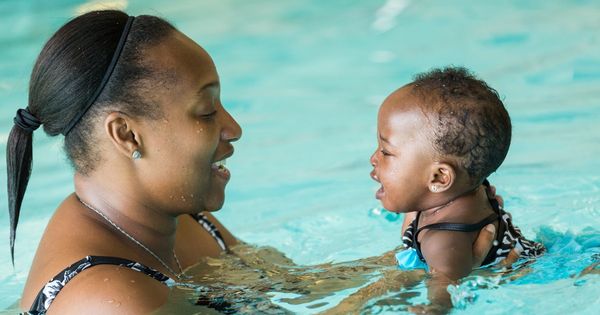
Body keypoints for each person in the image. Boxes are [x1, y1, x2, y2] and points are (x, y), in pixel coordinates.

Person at [6, 10, 505, 314]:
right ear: (126, 134)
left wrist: (430, 256)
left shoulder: (172, 215)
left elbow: (288, 291)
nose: (233, 128)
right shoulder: (107, 302)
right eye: (206, 111)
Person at [367, 67, 545, 311]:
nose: (373, 159)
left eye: (386, 151)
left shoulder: (444, 239)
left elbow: (446, 286)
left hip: (527, 273)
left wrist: (434, 309)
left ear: (439, 178)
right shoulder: (465, 189)